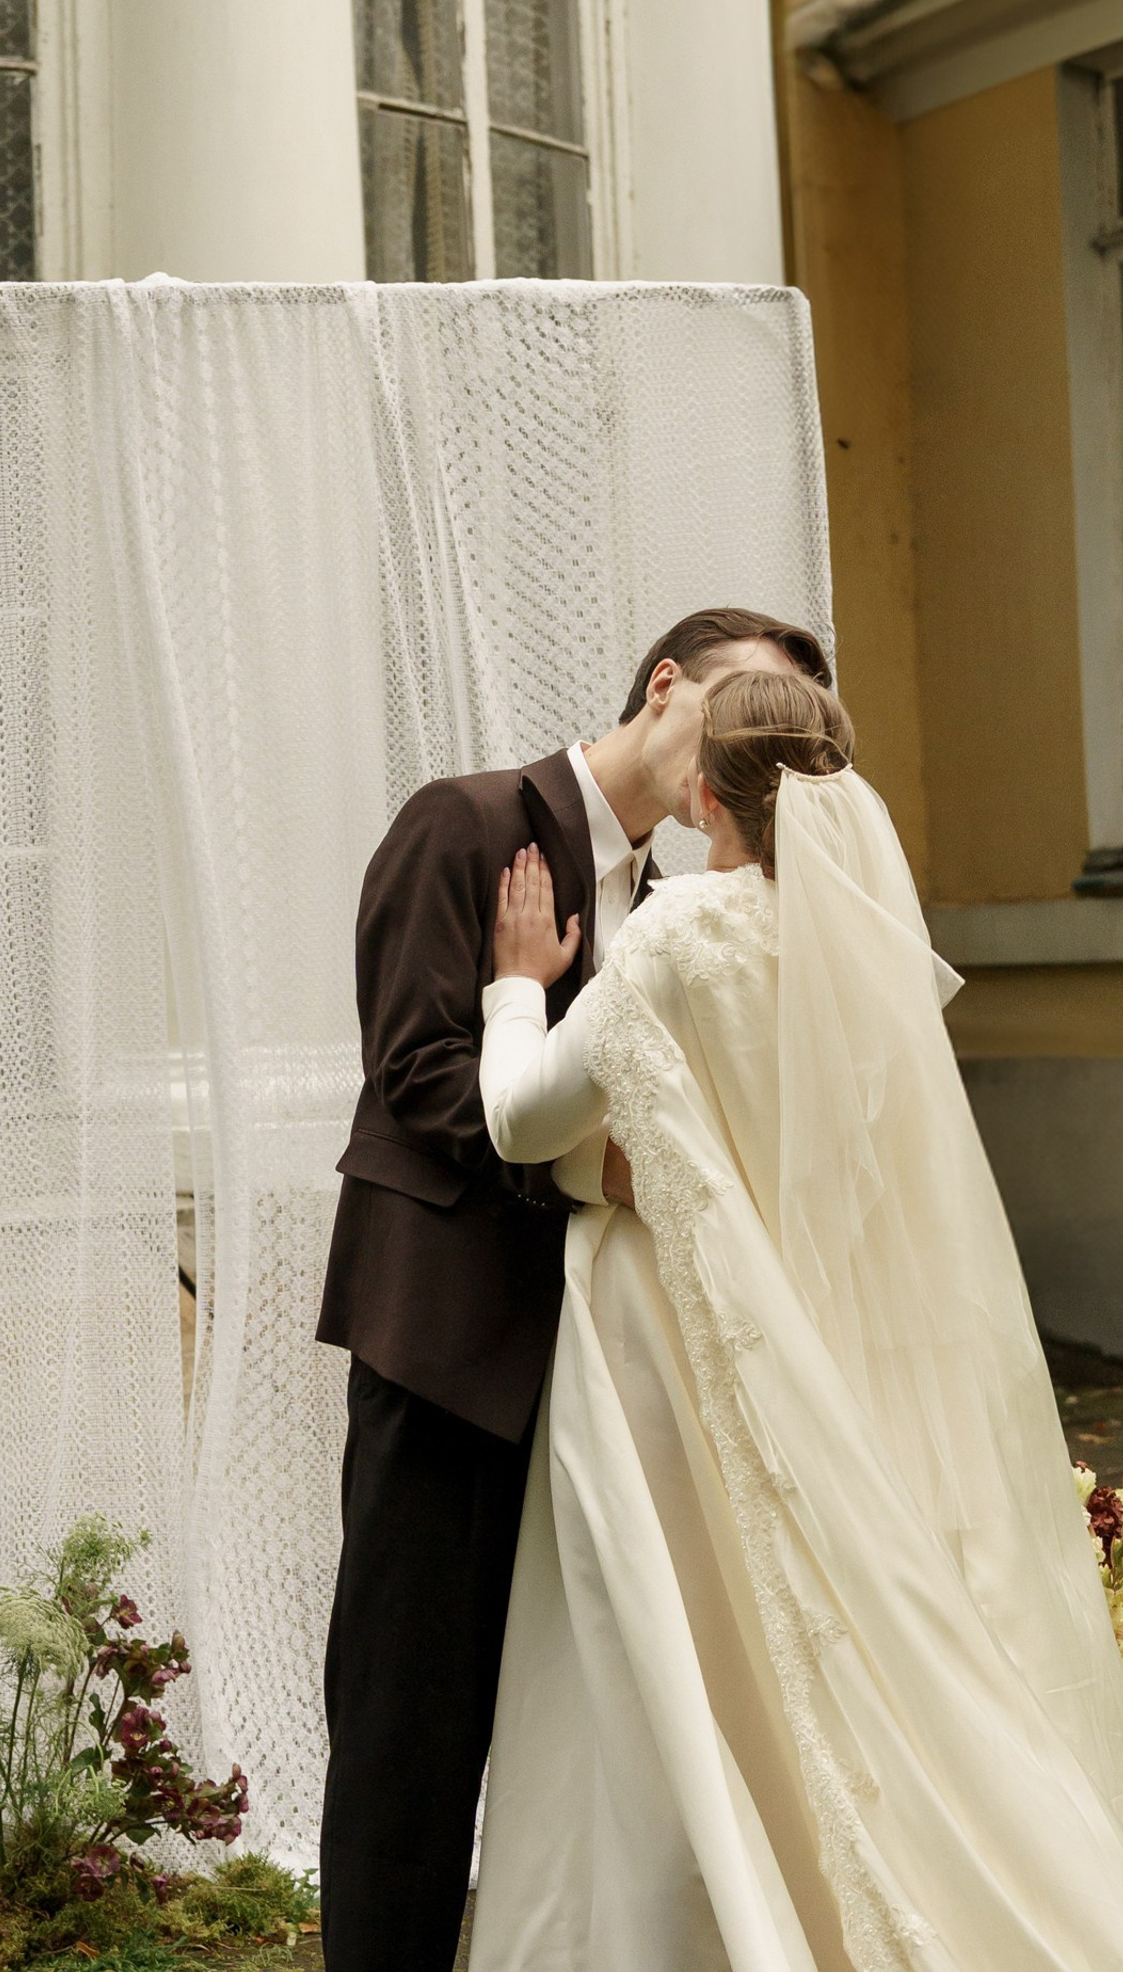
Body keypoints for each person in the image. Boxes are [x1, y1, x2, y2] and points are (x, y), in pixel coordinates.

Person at [466, 668, 1123, 1971]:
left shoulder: (683, 936)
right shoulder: (876, 952)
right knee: (836, 1647)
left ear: (705, 795)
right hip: (846, 1355)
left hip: (682, 1351)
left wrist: (516, 988)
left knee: (691, 1667)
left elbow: (525, 1118)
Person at [314, 608, 832, 1972]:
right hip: (449, 1362)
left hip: (600, 1381)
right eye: (730, 704)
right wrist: (619, 1167)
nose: (730, 744)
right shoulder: (466, 822)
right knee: (406, 1732)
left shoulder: (679, 904)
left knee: (582, 1726)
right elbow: (418, 1076)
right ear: (667, 686)